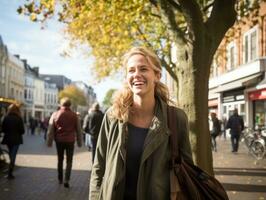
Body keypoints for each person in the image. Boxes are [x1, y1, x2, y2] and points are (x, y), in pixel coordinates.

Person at [89, 47, 193, 200]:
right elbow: (99, 166)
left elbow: (187, 169)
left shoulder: (176, 118)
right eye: (131, 70)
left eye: (143, 69)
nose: (136, 74)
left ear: (157, 75)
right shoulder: (113, 116)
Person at [47, 97, 82, 188]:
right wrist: (79, 142)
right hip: (70, 140)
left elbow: (50, 129)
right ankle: (67, 179)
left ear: (61, 104)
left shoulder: (55, 114)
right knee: (69, 161)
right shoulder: (74, 115)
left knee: (60, 159)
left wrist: (49, 142)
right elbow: (78, 129)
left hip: (59, 140)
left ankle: (60, 178)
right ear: (70, 104)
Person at [1, 104, 25, 179]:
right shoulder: (19, 118)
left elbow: (3, 129)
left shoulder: (6, 118)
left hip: (8, 139)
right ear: (17, 110)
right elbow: (22, 131)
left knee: (11, 154)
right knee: (13, 155)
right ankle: (10, 173)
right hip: (16, 140)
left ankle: (10, 171)